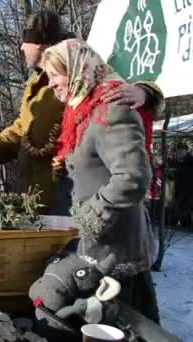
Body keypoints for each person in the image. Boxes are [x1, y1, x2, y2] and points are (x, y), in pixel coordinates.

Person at [0, 10, 164, 215]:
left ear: (38, 42)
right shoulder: (35, 84)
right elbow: (23, 128)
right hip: (34, 196)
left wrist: (146, 92)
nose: (21, 47)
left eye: (24, 42)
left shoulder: (79, 73)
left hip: (67, 196)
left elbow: (111, 84)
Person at [43, 38, 159, 322]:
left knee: (128, 326)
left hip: (119, 251)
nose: (50, 83)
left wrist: (94, 215)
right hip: (99, 245)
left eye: (55, 74)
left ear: (77, 69)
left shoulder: (111, 107)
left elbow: (132, 177)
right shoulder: (82, 110)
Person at [173, 142, 193, 227]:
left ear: (186, 151)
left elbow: (187, 174)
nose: (179, 152)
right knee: (181, 209)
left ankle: (187, 224)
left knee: (188, 207)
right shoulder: (177, 161)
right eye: (178, 151)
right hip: (180, 190)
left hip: (189, 189)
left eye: (181, 150)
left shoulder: (191, 160)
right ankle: (185, 224)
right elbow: (176, 176)